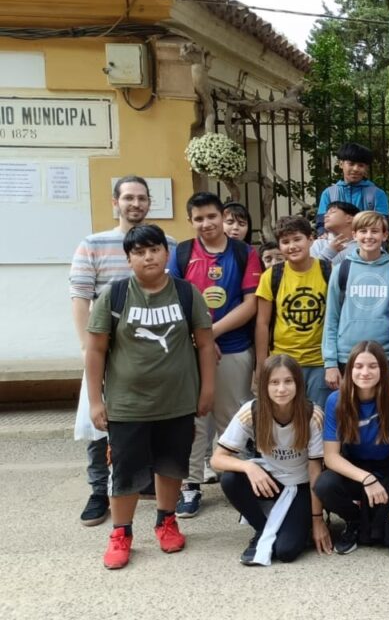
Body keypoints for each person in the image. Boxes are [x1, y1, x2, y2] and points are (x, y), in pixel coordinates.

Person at [85, 224, 216, 569]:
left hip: (178, 401)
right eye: (140, 252)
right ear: (129, 259)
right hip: (128, 405)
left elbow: (205, 344)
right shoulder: (114, 297)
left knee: (172, 465)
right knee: (125, 470)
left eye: (154, 249)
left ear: (166, 253)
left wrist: (207, 390)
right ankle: (121, 532)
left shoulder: (187, 294)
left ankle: (166, 521)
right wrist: (96, 401)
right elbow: (95, 351)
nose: (148, 256)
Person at [69, 175, 174, 526]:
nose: (136, 204)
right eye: (128, 197)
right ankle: (99, 490)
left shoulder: (165, 242)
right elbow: (81, 295)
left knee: (150, 420)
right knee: (100, 422)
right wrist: (88, 347)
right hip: (107, 348)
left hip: (152, 353)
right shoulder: (93, 244)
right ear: (115, 202)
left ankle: (143, 484)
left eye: (142, 198)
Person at [169, 192, 262, 518]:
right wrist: (200, 339)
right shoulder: (181, 253)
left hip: (234, 347)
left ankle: (240, 482)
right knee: (194, 418)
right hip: (191, 349)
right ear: (191, 221)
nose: (206, 224)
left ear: (222, 216)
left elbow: (251, 304)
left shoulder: (244, 253)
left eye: (211, 216)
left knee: (236, 417)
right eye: (199, 219)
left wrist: (213, 334)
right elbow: (174, 300)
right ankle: (191, 485)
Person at [211, 354, 331, 565]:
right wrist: (248, 466)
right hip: (270, 481)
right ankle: (261, 529)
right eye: (274, 382)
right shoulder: (252, 411)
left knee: (286, 551)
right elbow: (217, 460)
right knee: (230, 479)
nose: (281, 389)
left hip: (300, 486)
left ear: (298, 383)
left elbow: (315, 471)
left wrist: (318, 520)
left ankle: (296, 525)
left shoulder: (312, 414)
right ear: (264, 385)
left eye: (288, 381)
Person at [315, 341, 389, 556]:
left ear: (383, 369)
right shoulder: (336, 400)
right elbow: (331, 457)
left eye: (372, 366)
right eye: (359, 366)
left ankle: (376, 519)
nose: (365, 372)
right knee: (325, 484)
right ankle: (354, 520)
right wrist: (367, 479)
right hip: (358, 470)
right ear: (349, 369)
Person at [254, 215, 332, 408]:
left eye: (297, 239)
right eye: (285, 242)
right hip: (283, 360)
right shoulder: (272, 276)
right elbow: (262, 322)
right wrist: (261, 364)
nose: (292, 246)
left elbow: (336, 319)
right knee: (285, 417)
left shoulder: (329, 271)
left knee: (317, 417)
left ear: (311, 239)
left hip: (319, 362)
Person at [323, 210, 389, 390]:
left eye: (375, 231)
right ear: (354, 235)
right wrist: (330, 363)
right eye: (363, 231)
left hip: (385, 355)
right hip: (346, 356)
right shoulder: (341, 270)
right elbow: (332, 318)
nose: (369, 236)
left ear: (385, 235)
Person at [314, 142, 389, 234]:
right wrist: (324, 236)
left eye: (361, 165)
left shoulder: (377, 194)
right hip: (337, 245)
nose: (356, 169)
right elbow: (322, 223)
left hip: (365, 244)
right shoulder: (329, 193)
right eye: (351, 164)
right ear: (341, 164)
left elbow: (383, 224)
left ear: (366, 168)